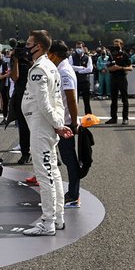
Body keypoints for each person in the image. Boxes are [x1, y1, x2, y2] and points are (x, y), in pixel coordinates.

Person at [20, 31, 70, 237]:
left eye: (29, 43)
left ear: (38, 46)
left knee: (45, 174)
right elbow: (55, 100)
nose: (25, 46)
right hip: (44, 124)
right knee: (53, 173)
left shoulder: (40, 68)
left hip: (42, 125)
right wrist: (58, 123)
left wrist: (58, 124)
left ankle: (48, 222)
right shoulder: (50, 66)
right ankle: (58, 217)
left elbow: (44, 102)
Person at [50, 41, 83, 209]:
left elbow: (71, 99)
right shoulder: (61, 68)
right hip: (62, 120)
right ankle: (71, 193)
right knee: (65, 158)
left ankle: (74, 195)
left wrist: (75, 122)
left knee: (69, 159)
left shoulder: (64, 72)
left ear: (55, 54)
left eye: (49, 54)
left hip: (67, 122)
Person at [105, 38, 131, 124]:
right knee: (113, 99)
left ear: (121, 45)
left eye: (117, 45)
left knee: (124, 99)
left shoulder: (125, 55)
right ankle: (113, 118)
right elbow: (108, 67)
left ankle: (125, 118)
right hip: (113, 78)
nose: (116, 46)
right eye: (114, 45)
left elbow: (130, 67)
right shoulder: (111, 55)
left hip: (122, 78)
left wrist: (120, 68)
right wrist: (110, 68)